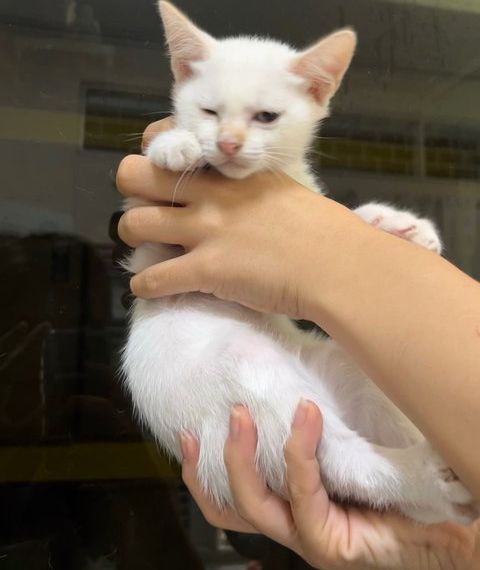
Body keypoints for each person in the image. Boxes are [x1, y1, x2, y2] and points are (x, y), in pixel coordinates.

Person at [116, 118, 480, 569]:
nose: (235, 136)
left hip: (263, 371)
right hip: (203, 368)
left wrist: (349, 251)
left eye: (265, 116)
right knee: (260, 362)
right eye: (212, 112)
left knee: (344, 373)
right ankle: (384, 478)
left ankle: (410, 490)